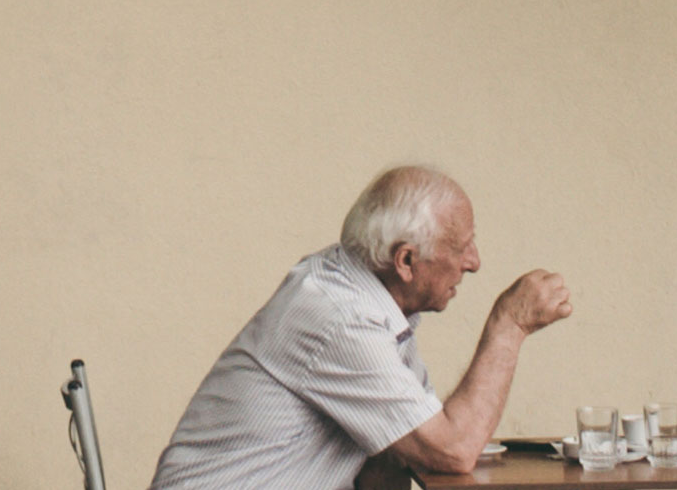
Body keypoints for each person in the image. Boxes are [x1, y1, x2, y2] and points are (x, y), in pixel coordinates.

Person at [148, 165, 573, 490]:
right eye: (461, 247)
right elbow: (452, 449)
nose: (474, 262)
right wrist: (510, 324)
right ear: (405, 261)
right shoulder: (342, 318)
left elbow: (401, 454)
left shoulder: (368, 300)